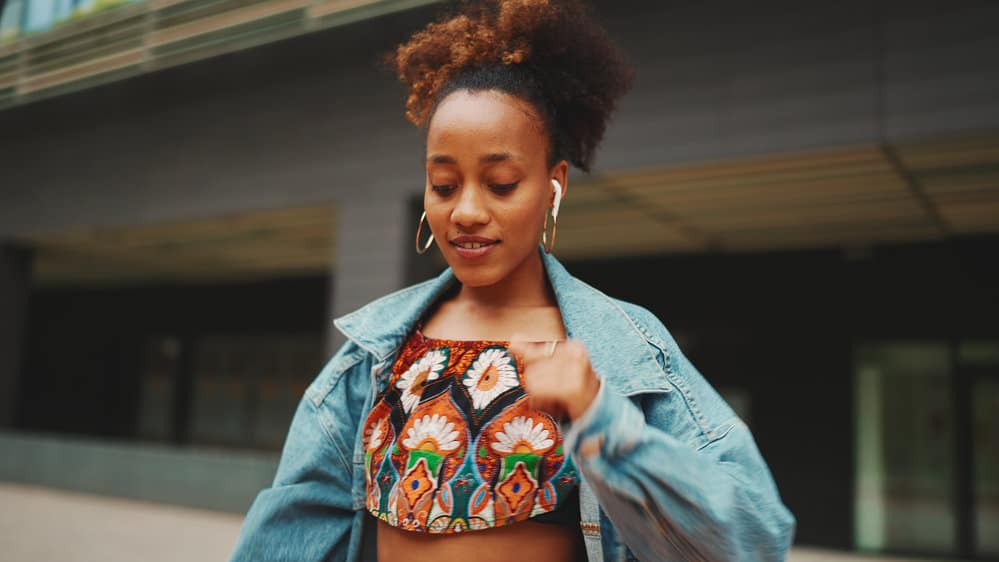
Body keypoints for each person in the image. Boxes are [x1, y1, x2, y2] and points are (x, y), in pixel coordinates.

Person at [229, 1, 795, 560]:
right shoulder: (374, 353)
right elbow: (288, 536)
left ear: (555, 186)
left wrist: (601, 417)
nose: (466, 211)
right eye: (444, 185)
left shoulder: (620, 349)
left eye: (500, 183)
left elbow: (752, 538)